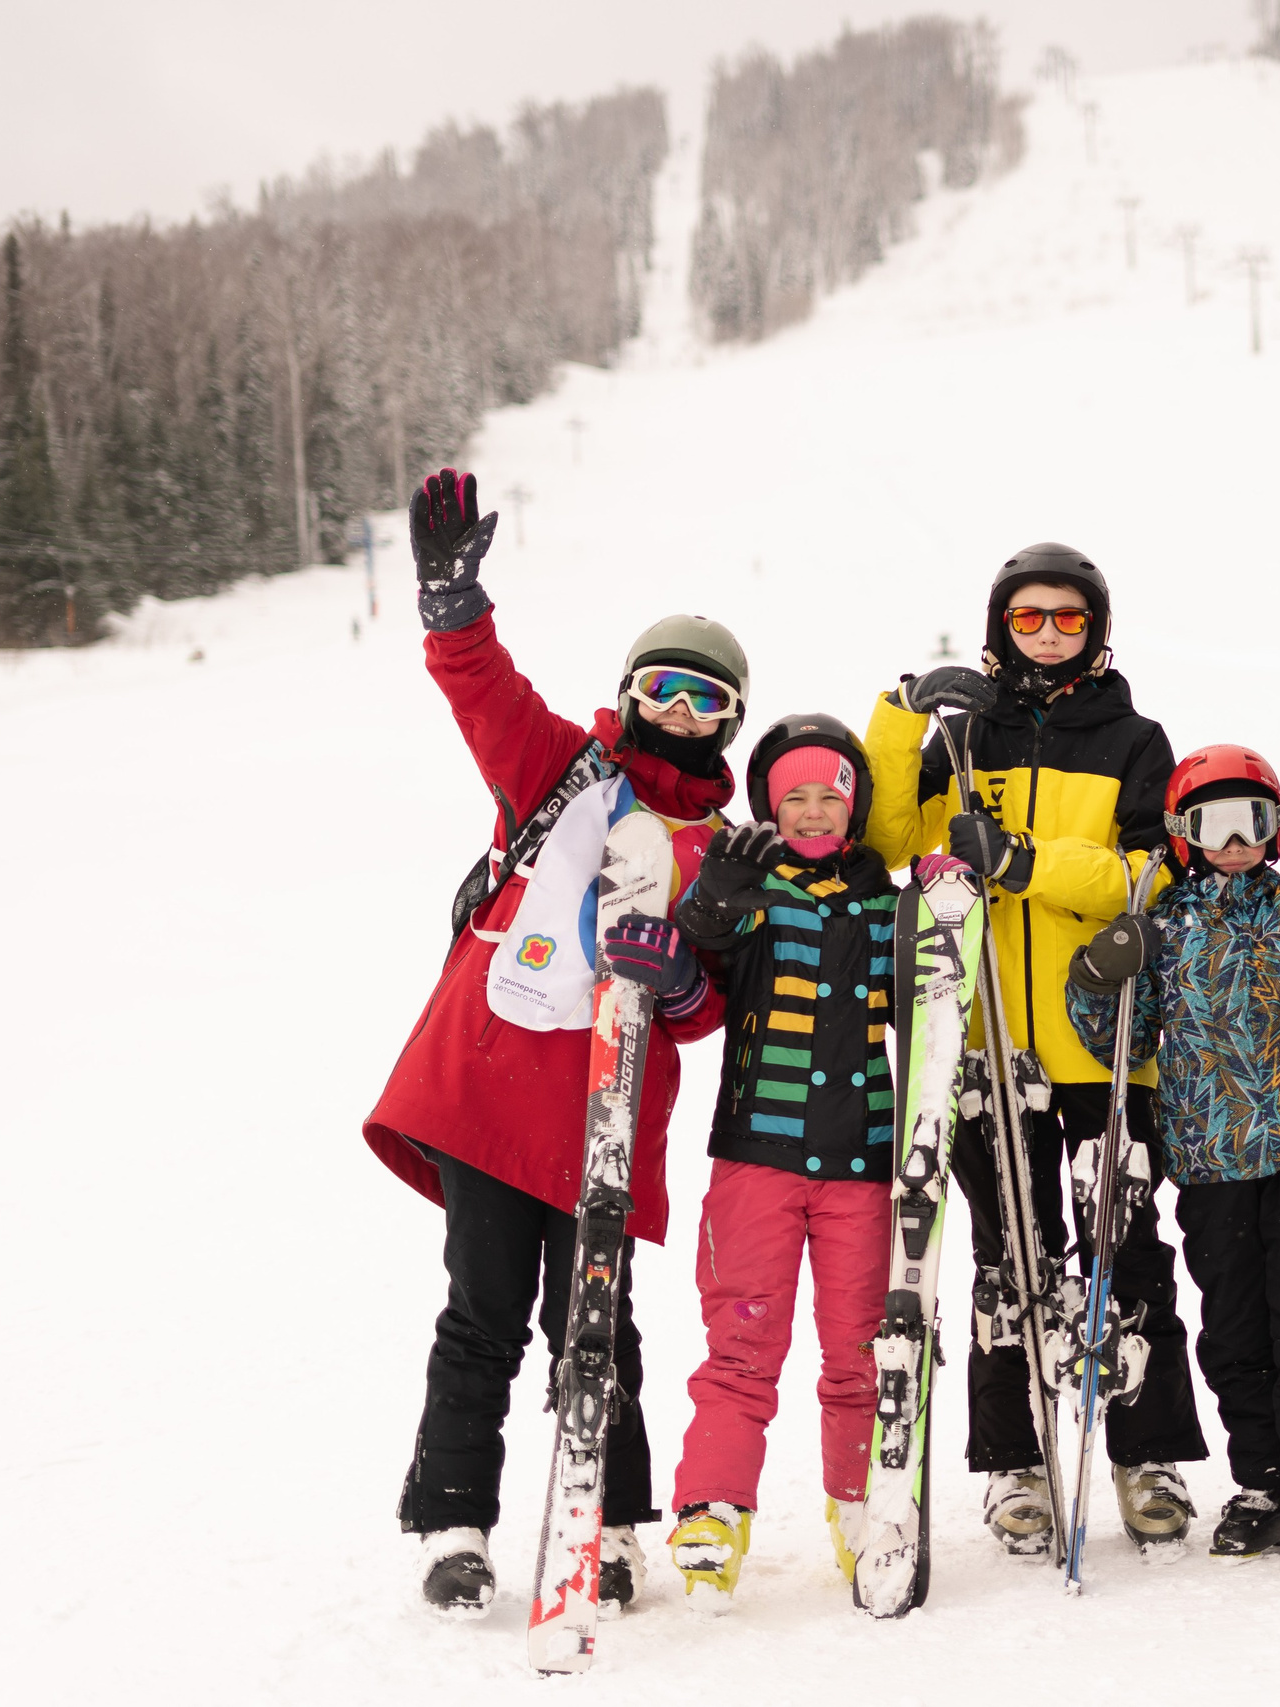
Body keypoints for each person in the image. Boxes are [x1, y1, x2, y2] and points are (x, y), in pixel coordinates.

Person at [363, 469, 743, 1616]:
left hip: (603, 1112)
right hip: (494, 1085)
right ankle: (451, 1520)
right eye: (662, 689)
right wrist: (450, 604)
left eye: (704, 700)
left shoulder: (723, 845)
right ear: (630, 693)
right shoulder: (558, 767)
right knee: (482, 1311)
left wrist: (680, 976)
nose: (678, 714)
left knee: (596, 1325)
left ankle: (610, 1519)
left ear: (729, 721)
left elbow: (712, 1001)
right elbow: (481, 689)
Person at [862, 543, 1208, 1553]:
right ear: (1000, 628)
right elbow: (885, 837)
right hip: (985, 1041)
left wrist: (1023, 861)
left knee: (1126, 1248)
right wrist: (900, 713)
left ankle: (1146, 1455)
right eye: (1029, 619)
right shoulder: (966, 742)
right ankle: (1014, 1461)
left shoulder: (1134, 739)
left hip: (1102, 1041)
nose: (1049, 635)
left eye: (1067, 618)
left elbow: (1152, 875)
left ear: (1096, 629)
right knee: (1007, 1255)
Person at [1065, 681, 1280, 1563]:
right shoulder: (1166, 929)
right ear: (1181, 836)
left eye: (1249, 823)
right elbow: (1116, 1042)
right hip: (1211, 1162)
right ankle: (1261, 1483)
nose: (1231, 844)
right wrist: (1098, 974)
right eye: (1212, 825)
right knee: (1233, 1332)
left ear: (1274, 829)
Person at [656, 714, 966, 1609]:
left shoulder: (885, 902)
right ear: (769, 806)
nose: (812, 810)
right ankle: (714, 1504)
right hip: (759, 1157)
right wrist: (715, 896)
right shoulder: (751, 891)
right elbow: (705, 951)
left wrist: (946, 906)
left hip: (867, 1166)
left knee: (862, 1353)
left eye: (830, 794)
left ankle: (861, 1502)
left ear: (856, 804)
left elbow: (933, 1005)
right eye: (793, 796)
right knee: (743, 1346)